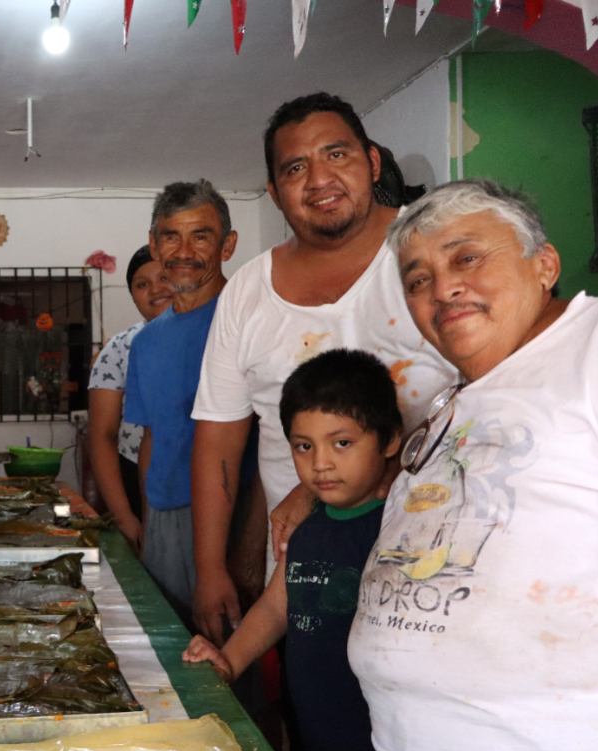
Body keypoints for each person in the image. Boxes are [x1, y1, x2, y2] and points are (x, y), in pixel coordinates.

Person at [350, 179, 598, 751]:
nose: (442, 289)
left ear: (543, 264)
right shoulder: (447, 403)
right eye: (419, 278)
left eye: (467, 259)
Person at [188, 92, 457, 642]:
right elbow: (219, 439)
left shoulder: (433, 250)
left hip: (437, 572)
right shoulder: (247, 292)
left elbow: (494, 392)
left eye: (337, 155)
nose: (318, 179)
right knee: (312, 715)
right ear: (274, 192)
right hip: (301, 583)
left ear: (372, 162)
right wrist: (210, 566)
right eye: (295, 167)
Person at [184, 349, 401, 751]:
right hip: (316, 748)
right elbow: (275, 608)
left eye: (342, 443)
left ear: (390, 440)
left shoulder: (399, 529)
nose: (320, 462)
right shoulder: (307, 530)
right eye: (304, 446)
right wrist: (231, 660)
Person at [123, 180, 241, 622]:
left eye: (201, 235)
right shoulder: (147, 341)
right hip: (164, 519)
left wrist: (247, 549)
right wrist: (146, 521)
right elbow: (151, 439)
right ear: (154, 246)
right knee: (172, 651)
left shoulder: (249, 317)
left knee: (229, 663)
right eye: (171, 236)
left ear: (227, 245)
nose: (185, 251)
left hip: (236, 514)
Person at [87, 245, 174, 552]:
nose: (155, 290)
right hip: (136, 476)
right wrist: (124, 517)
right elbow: (102, 436)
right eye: (142, 284)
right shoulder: (120, 349)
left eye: (164, 277)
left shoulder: (217, 335)